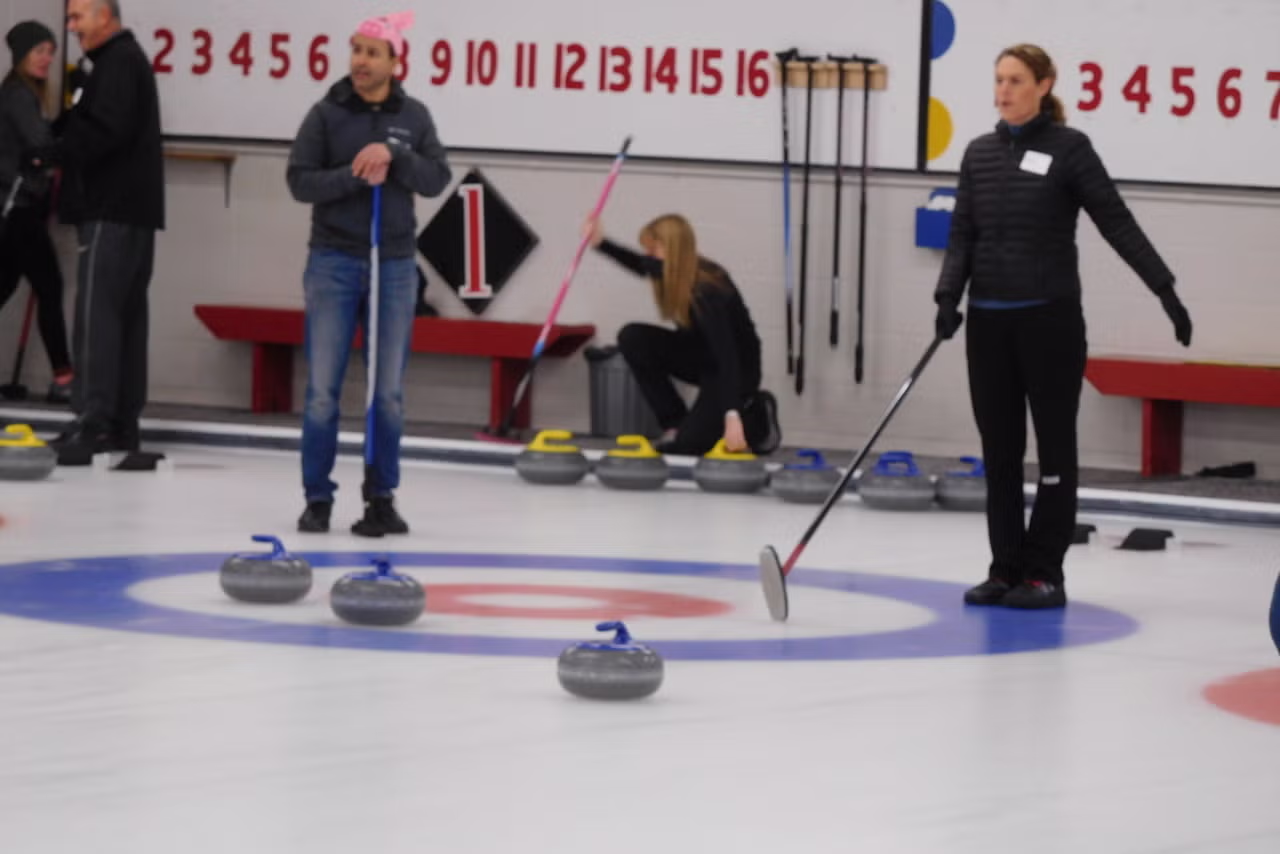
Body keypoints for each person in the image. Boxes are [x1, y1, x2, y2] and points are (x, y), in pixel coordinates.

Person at [933, 43, 1193, 610]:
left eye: (1016, 80)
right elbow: (962, 236)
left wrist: (1164, 290)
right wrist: (948, 296)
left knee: (1055, 449)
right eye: (998, 79)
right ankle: (1005, 568)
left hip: (1049, 321)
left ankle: (1044, 572)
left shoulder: (1070, 150)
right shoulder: (978, 154)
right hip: (988, 323)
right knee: (999, 452)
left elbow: (1116, 221)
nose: (1003, 91)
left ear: (1044, 85)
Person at [286, 11, 451, 537]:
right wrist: (355, 175)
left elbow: (436, 178)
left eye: (371, 52)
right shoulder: (326, 114)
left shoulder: (416, 117)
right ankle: (317, 497)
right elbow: (300, 181)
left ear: (394, 62)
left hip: (395, 265)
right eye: (355, 50)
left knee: (388, 393)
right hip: (334, 262)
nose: (360, 61)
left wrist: (396, 154)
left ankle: (381, 496)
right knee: (322, 392)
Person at [37, 0, 164, 464]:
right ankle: (120, 424)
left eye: (78, 18)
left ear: (105, 17)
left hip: (110, 209)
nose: (72, 28)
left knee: (97, 317)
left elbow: (104, 131)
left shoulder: (116, 64)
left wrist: (55, 151)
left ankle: (92, 422)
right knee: (125, 319)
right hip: (133, 212)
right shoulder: (122, 64)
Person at [586, 213, 780, 457]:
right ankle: (674, 423)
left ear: (672, 249)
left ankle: (756, 417)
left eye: (652, 250)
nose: (648, 256)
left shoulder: (706, 290)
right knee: (633, 337)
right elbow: (641, 265)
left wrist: (732, 416)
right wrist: (600, 243)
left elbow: (728, 358)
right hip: (702, 359)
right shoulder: (675, 270)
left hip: (735, 371)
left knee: (689, 447)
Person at [0, 20, 73, 403]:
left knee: (6, 285)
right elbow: (42, 145)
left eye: (50, 52)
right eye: (40, 51)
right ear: (22, 54)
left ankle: (64, 377)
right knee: (49, 286)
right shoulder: (17, 96)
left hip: (15, 207)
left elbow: (43, 140)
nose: (47, 58)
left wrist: (69, 115)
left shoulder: (23, 95)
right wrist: (77, 120)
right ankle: (65, 379)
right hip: (18, 208)